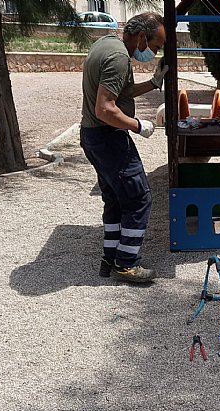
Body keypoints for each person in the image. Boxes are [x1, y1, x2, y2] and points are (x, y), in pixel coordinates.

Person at [80, 12, 168, 284]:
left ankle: (110, 257)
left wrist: (153, 83)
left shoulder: (106, 44)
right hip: (108, 137)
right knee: (138, 198)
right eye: (155, 46)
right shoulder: (119, 58)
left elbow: (121, 91)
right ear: (142, 37)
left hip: (92, 136)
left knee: (116, 199)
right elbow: (105, 108)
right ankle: (126, 264)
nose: (154, 53)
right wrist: (137, 125)